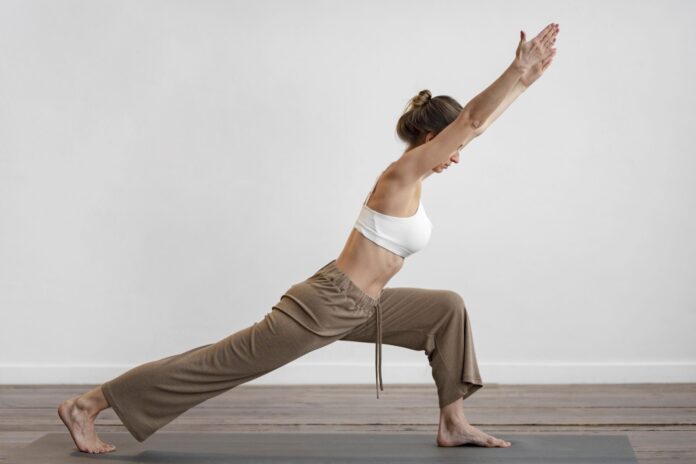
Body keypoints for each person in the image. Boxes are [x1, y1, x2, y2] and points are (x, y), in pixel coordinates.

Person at [57, 22, 559, 454]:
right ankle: (88, 404)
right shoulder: (402, 173)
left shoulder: (418, 178)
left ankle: (453, 423)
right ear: (431, 139)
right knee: (218, 363)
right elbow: (471, 122)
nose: (459, 157)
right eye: (454, 147)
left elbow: (475, 126)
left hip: (365, 304)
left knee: (445, 309)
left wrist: (525, 84)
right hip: (324, 305)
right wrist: (514, 71)